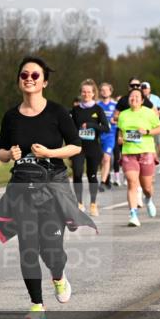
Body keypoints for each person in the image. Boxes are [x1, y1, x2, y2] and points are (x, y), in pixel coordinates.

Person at [0, 57, 89, 319]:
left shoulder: (57, 112)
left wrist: (50, 153)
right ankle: (36, 305)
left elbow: (76, 146)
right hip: (22, 188)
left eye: (35, 75)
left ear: (44, 82)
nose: (29, 79)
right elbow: (0, 152)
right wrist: (9, 154)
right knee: (28, 248)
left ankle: (58, 275)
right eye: (24, 75)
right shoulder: (11, 116)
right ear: (19, 80)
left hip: (52, 187)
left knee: (51, 250)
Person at [117, 88, 160, 226]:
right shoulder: (123, 115)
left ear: (142, 100)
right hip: (128, 153)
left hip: (146, 153)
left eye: (137, 96)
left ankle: (148, 199)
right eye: (131, 96)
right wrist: (120, 139)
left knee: (147, 188)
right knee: (132, 182)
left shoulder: (149, 113)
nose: (134, 98)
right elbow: (120, 133)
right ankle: (133, 215)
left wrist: (146, 131)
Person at [69, 79, 110, 216]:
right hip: (78, 147)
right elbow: (69, 129)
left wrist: (92, 125)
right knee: (77, 173)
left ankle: (93, 204)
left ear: (93, 94)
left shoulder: (98, 109)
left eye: (89, 92)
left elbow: (106, 128)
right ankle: (79, 203)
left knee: (92, 176)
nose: (86, 94)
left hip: (93, 147)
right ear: (80, 93)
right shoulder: (75, 110)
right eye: (83, 92)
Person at [141, 82, 160, 173]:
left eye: (146, 88)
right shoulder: (138, 99)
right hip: (143, 126)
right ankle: (152, 162)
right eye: (142, 88)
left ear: (149, 89)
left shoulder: (155, 98)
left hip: (155, 126)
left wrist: (158, 113)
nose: (144, 90)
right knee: (150, 147)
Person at [97, 82, 118, 189]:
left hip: (110, 135)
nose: (104, 92)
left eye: (107, 90)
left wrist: (116, 121)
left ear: (110, 91)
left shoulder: (115, 105)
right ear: (100, 92)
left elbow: (121, 119)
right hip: (98, 135)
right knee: (102, 159)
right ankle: (107, 177)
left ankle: (103, 182)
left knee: (106, 157)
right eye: (102, 90)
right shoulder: (97, 105)